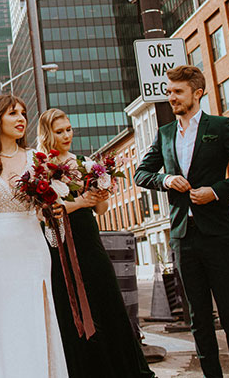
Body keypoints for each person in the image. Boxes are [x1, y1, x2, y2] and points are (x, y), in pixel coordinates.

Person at [135, 65, 229, 378]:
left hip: (218, 234)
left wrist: (217, 191)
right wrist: (167, 179)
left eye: (178, 92)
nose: (171, 97)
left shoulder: (221, 126)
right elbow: (141, 174)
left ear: (196, 93)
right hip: (183, 237)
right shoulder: (165, 134)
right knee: (198, 320)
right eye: (169, 91)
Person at [37, 108, 156, 378]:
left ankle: (122, 368)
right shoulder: (41, 166)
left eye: (69, 129)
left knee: (106, 298)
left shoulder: (86, 162)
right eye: (59, 131)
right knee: (70, 304)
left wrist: (101, 191)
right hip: (60, 243)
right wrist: (79, 202)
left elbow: (101, 209)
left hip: (89, 240)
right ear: (48, 133)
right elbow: (46, 209)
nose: (67, 135)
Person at [0, 94, 68, 378]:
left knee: (36, 313)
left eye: (23, 113)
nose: (21, 119)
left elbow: (45, 209)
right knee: (4, 317)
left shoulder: (36, 159)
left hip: (31, 242)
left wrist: (52, 211)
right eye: (12, 113)